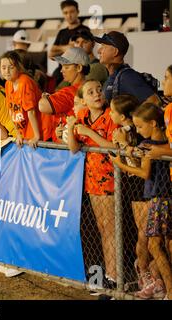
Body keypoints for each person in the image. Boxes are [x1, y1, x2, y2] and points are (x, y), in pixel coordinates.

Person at [110, 102, 172, 300]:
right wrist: (130, 150)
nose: (137, 130)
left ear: (153, 123)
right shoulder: (156, 144)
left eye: (140, 126)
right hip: (160, 197)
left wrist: (120, 164)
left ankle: (170, 291)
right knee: (161, 245)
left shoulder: (154, 146)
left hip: (160, 199)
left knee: (155, 246)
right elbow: (144, 165)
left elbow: (144, 173)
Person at [67, 79, 119, 287]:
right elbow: (73, 149)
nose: (97, 94)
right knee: (101, 227)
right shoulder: (82, 116)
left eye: (99, 90)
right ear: (83, 100)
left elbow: (114, 147)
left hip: (111, 179)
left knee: (110, 228)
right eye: (90, 92)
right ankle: (106, 275)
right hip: (91, 180)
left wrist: (89, 133)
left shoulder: (110, 116)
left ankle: (114, 277)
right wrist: (71, 130)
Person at [94, 31, 161, 106]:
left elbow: (155, 101)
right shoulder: (114, 76)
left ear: (115, 52)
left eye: (103, 46)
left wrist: (133, 117)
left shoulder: (127, 77)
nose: (98, 51)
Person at [39, 47, 90, 141]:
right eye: (62, 66)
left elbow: (42, 105)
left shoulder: (72, 91)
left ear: (79, 67)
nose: (62, 70)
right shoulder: (89, 88)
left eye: (66, 67)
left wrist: (45, 98)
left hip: (65, 151)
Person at [0, 50, 42, 147]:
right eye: (3, 68)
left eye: (11, 67)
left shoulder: (25, 82)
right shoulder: (8, 83)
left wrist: (36, 136)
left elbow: (31, 112)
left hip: (39, 129)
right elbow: (11, 111)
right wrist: (18, 134)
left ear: (18, 67)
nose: (7, 71)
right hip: (25, 131)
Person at [48, 0, 90, 85]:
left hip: (76, 71)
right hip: (61, 70)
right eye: (65, 13)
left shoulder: (84, 30)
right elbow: (51, 54)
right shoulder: (62, 32)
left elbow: (83, 53)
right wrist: (65, 48)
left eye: (71, 12)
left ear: (77, 12)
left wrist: (59, 50)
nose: (69, 15)